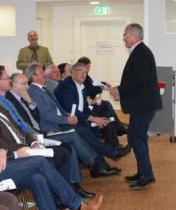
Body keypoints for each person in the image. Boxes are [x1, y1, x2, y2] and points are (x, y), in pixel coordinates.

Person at [0, 71, 92, 198]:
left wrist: (29, 101)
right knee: (63, 148)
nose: (27, 87)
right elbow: (12, 130)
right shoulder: (1, 103)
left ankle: (72, 189)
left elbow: (30, 120)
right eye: (24, 84)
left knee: (66, 146)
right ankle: (74, 187)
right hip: (23, 144)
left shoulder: (9, 100)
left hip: (34, 136)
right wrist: (30, 140)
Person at [25, 64, 123, 178]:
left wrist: (68, 115)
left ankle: (102, 163)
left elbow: (59, 108)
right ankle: (109, 156)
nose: (45, 76)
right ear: (34, 76)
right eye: (42, 74)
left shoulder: (43, 89)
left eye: (85, 72)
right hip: (52, 127)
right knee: (82, 131)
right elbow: (46, 115)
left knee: (88, 129)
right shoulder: (34, 91)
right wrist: (67, 119)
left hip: (61, 121)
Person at [119, 23, 161, 190]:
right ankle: (143, 172)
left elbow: (140, 80)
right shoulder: (139, 51)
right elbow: (137, 80)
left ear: (134, 35)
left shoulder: (141, 52)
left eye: (125, 35)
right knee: (138, 138)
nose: (124, 39)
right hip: (141, 104)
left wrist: (120, 90)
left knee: (137, 138)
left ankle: (147, 175)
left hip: (143, 105)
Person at [55, 63, 123, 148]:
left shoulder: (81, 86)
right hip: (72, 118)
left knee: (106, 116)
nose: (84, 75)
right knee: (105, 106)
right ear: (72, 72)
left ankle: (114, 146)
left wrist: (94, 117)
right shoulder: (66, 85)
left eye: (86, 72)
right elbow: (71, 110)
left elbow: (85, 107)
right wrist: (93, 118)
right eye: (81, 72)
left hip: (82, 115)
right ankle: (114, 144)